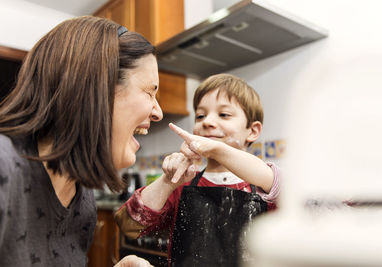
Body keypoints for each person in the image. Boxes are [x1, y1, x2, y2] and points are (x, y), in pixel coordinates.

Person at [0, 16, 162, 267]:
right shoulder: (4, 167)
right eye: (149, 91)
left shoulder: (82, 199)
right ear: (98, 87)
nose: (158, 112)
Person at [115, 73, 281, 267]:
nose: (207, 122)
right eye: (200, 115)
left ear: (252, 131)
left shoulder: (266, 186)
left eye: (224, 114)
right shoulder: (182, 184)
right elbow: (128, 225)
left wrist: (218, 149)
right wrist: (168, 182)